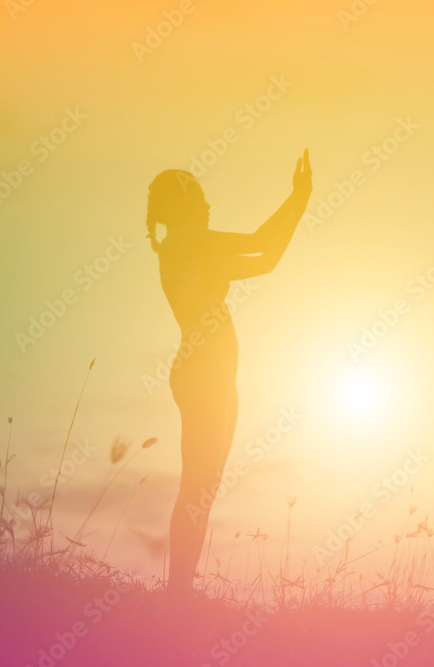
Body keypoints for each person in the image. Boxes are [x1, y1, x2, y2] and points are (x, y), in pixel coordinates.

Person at [145, 149, 312, 593]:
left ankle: (181, 592)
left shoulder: (191, 248)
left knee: (204, 489)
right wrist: (298, 197)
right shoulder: (187, 241)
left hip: (214, 373)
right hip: (203, 373)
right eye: (199, 197)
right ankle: (176, 595)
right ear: (181, 206)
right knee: (197, 486)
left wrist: (300, 203)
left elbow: (265, 259)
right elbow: (259, 238)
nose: (207, 204)